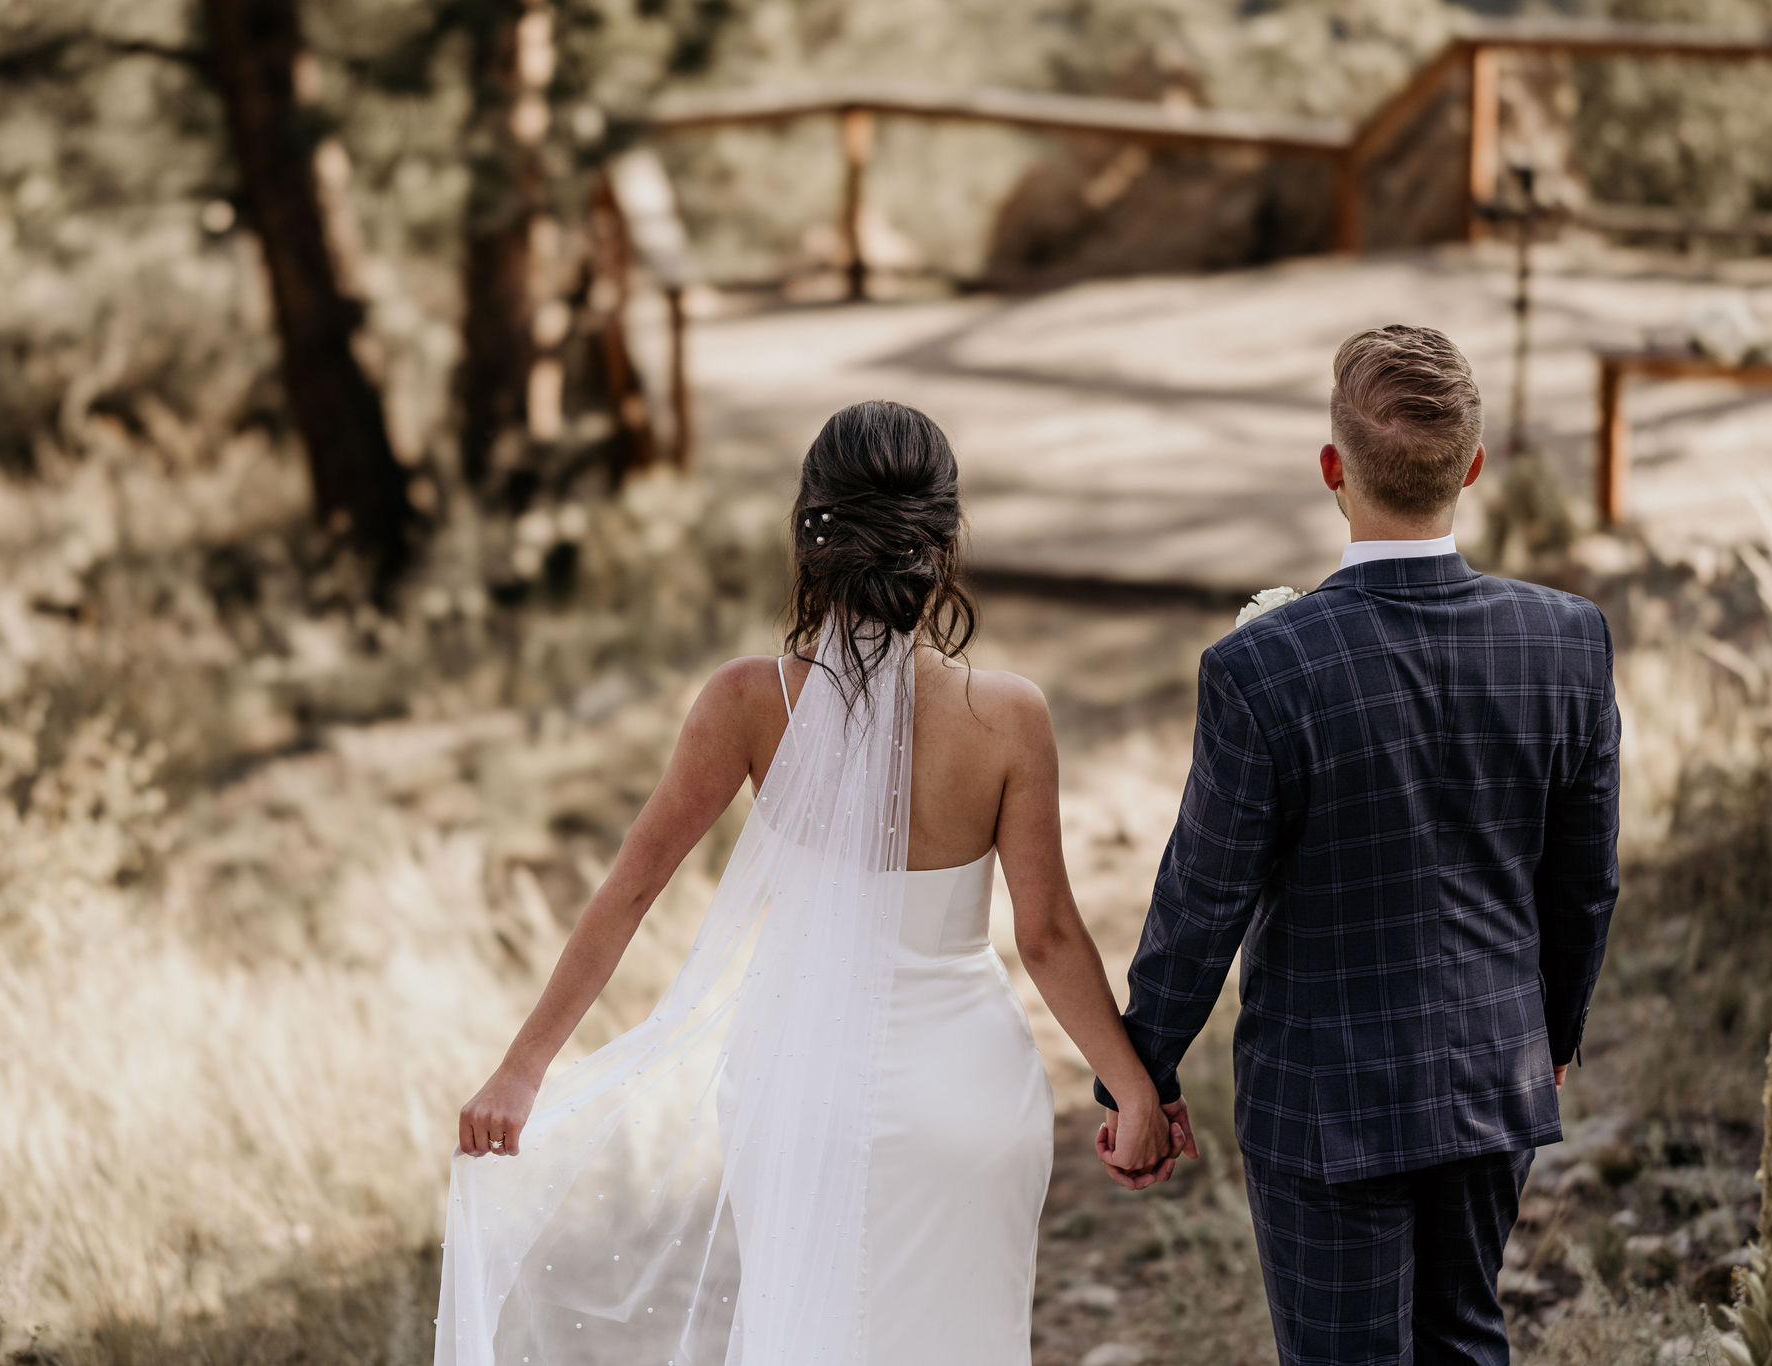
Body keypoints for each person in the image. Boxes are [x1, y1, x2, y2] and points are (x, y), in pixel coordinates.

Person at [436, 399, 1178, 1366]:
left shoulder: (749, 703)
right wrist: (1135, 1095)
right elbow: (1047, 936)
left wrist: (524, 1067)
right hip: (968, 1099)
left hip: (803, 1097)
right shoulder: (1010, 717)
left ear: (810, 536)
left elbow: (632, 887)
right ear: (944, 544)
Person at [1095, 325, 1621, 1365]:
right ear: (1471, 468)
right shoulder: (1565, 638)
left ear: (1331, 468)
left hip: (1323, 1099)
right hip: (1490, 1074)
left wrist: (1139, 1079)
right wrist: (1549, 1036)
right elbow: (1582, 886)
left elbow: (1201, 901)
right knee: (1464, 1342)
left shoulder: (1261, 669)